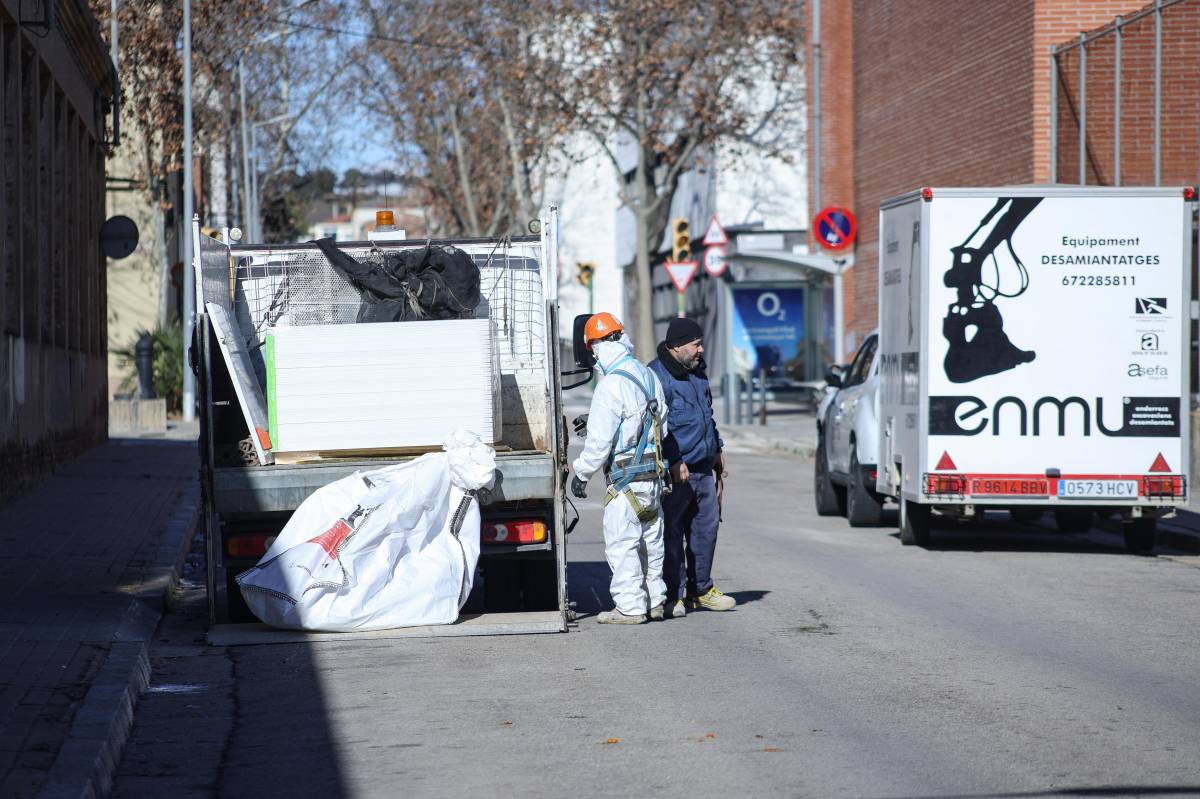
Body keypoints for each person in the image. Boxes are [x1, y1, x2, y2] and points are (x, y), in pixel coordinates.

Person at [571, 312, 669, 625]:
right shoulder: (646, 374)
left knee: (622, 544)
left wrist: (582, 473)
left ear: (594, 347)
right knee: (651, 543)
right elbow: (661, 424)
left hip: (625, 480)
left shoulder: (610, 385)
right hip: (653, 477)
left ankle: (630, 607)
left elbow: (599, 443)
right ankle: (655, 600)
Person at [648, 317, 735, 616]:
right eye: (696, 344)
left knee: (705, 530)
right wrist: (674, 461)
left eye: (701, 343)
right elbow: (658, 428)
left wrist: (717, 448)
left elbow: (706, 415)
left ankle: (701, 590)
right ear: (676, 346)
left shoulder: (697, 372)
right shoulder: (656, 376)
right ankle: (673, 595)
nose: (701, 350)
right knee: (671, 534)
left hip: (702, 469)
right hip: (676, 472)